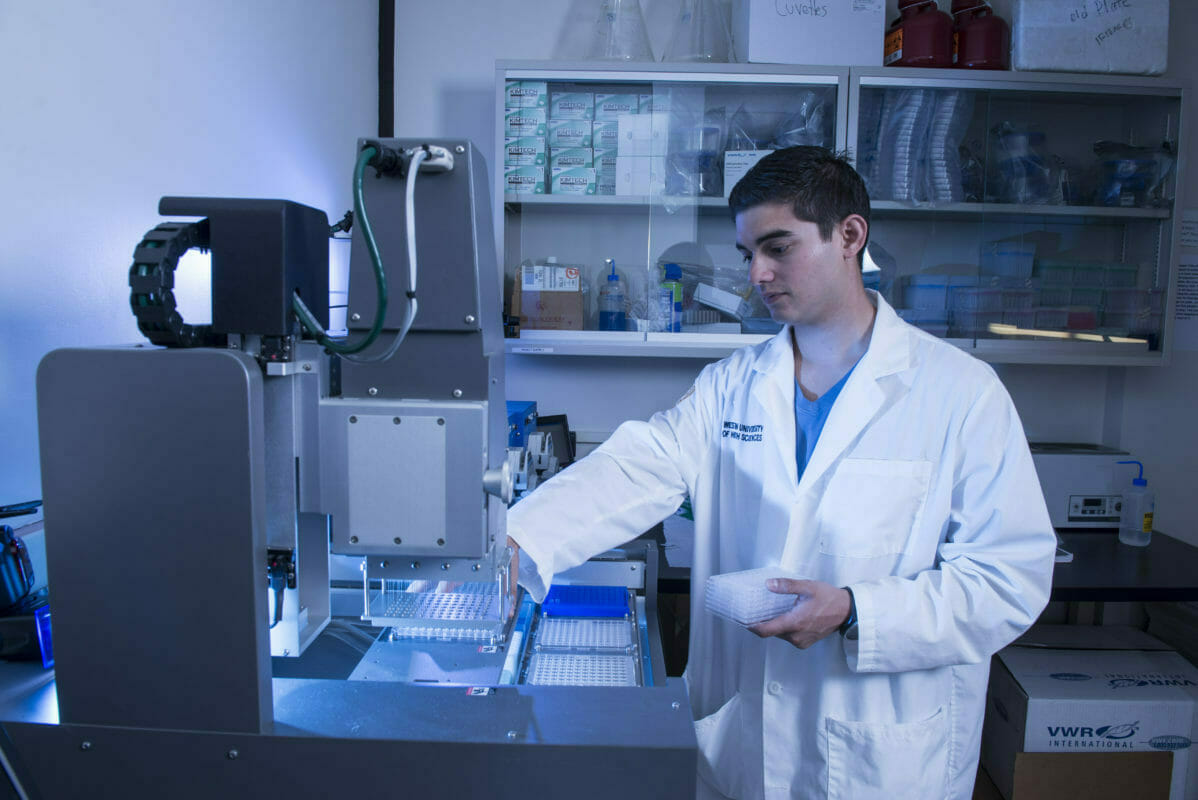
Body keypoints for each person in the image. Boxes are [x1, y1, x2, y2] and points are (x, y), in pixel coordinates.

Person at [507, 146, 1056, 799]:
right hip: (744, 744)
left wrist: (856, 611)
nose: (758, 274)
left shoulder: (961, 394)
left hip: (880, 755)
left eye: (778, 248)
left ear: (850, 235)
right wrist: (519, 538)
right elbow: (644, 462)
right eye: (748, 255)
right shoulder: (735, 384)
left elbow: (1008, 580)